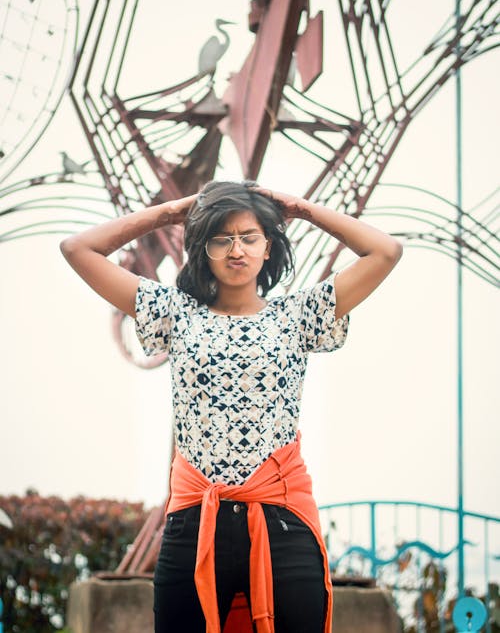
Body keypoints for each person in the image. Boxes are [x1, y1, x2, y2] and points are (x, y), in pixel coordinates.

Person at [60, 180, 402, 633]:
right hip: (194, 522)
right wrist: (173, 212)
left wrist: (298, 208)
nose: (236, 250)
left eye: (249, 237)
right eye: (221, 238)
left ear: (268, 247)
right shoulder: (173, 312)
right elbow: (77, 248)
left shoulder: (299, 315)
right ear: (203, 249)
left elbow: (386, 252)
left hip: (283, 522)